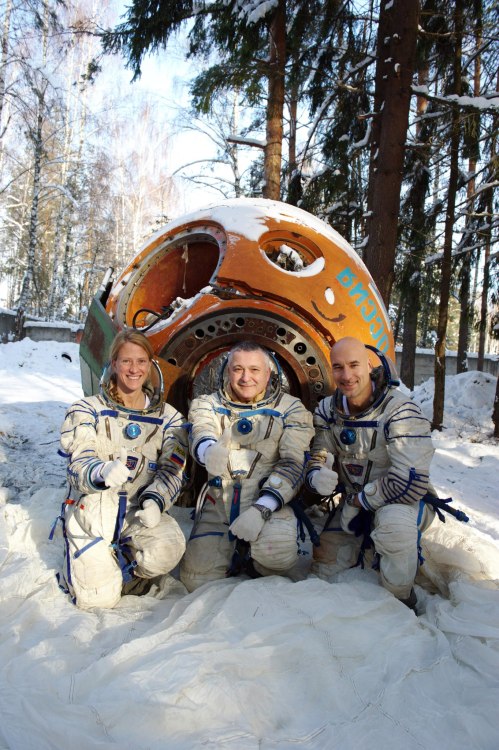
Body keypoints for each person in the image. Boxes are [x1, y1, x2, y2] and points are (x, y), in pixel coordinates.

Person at [57, 329, 188, 609]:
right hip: (95, 510)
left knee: (168, 548)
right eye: (126, 361)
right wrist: (100, 472)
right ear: (114, 363)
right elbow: (79, 461)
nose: (134, 369)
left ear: (150, 365)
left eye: (141, 361)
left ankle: (125, 566)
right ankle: (91, 561)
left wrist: (155, 500)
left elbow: (173, 470)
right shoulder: (87, 410)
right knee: (98, 600)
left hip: (138, 510)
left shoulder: (169, 418)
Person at [305, 336, 435, 610]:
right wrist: (318, 471)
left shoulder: (400, 410)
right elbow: (321, 450)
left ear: (369, 365)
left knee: (393, 531)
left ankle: (402, 598)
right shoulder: (329, 411)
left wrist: (359, 502)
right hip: (355, 502)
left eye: (354, 365)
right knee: (324, 561)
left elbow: (409, 482)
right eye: (338, 367)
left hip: (403, 502)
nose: (347, 375)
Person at [179, 341, 315, 592]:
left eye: (254, 370)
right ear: (227, 371)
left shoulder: (290, 409)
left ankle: (258, 562)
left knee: (278, 554)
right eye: (237, 369)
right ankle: (230, 554)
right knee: (195, 579)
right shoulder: (207, 403)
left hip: (267, 505)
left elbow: (293, 463)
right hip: (219, 506)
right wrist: (209, 451)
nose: (245, 378)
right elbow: (201, 430)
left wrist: (262, 508)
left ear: (268, 373)